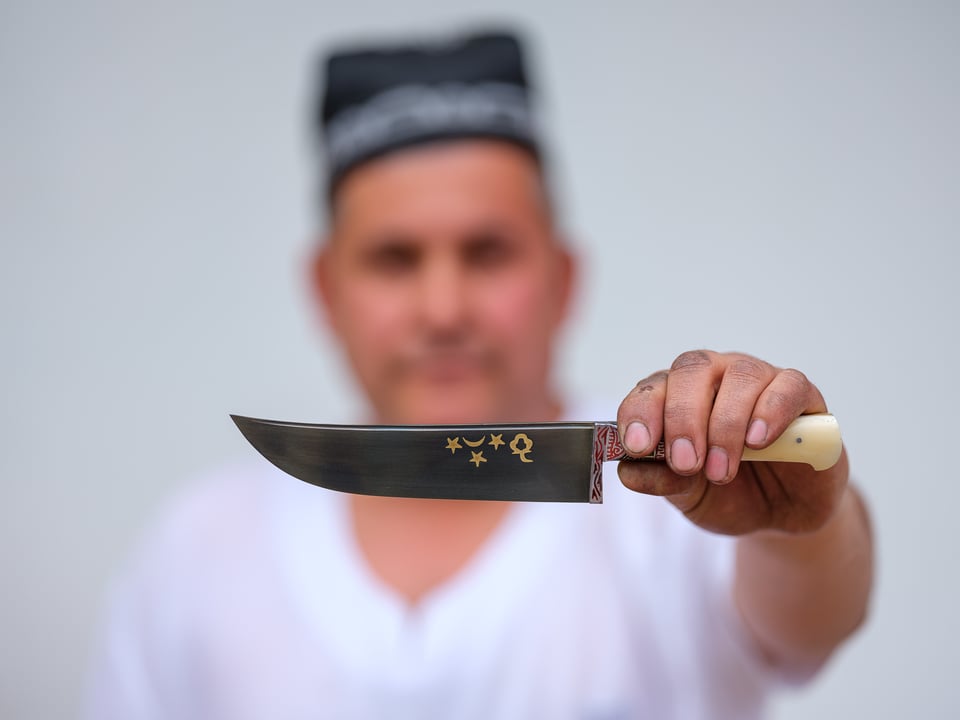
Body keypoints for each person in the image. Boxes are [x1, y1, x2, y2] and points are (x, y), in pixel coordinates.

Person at [85, 30, 873, 719]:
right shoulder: (197, 551)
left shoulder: (682, 495)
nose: (443, 307)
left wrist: (801, 528)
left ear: (563, 277)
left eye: (487, 252)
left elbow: (813, 614)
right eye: (394, 259)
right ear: (326, 289)